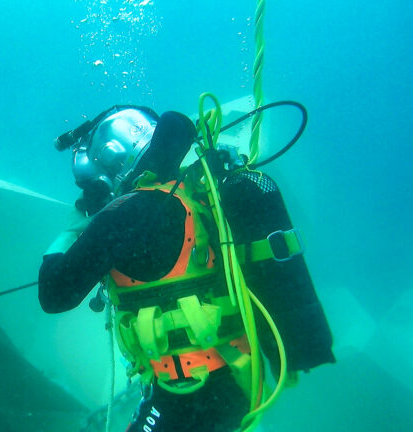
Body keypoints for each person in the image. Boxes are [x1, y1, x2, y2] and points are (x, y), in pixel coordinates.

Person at [38, 106, 335, 431]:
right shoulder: (195, 194)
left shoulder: (125, 212)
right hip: (234, 379)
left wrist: (69, 232)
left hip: (189, 397)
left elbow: (54, 295)